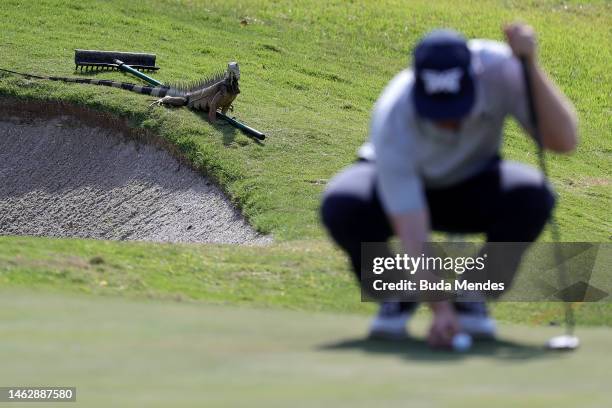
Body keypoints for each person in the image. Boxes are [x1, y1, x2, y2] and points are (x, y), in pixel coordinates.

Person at [320, 23, 577, 348]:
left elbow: (563, 141)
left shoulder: (500, 69)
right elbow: (412, 231)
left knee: (533, 196)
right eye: (437, 111)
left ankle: (473, 294)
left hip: (472, 182)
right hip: (395, 185)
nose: (447, 121)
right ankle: (397, 292)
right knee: (344, 203)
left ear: (474, 76)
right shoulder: (393, 113)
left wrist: (530, 64)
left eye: (455, 108)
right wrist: (439, 306)